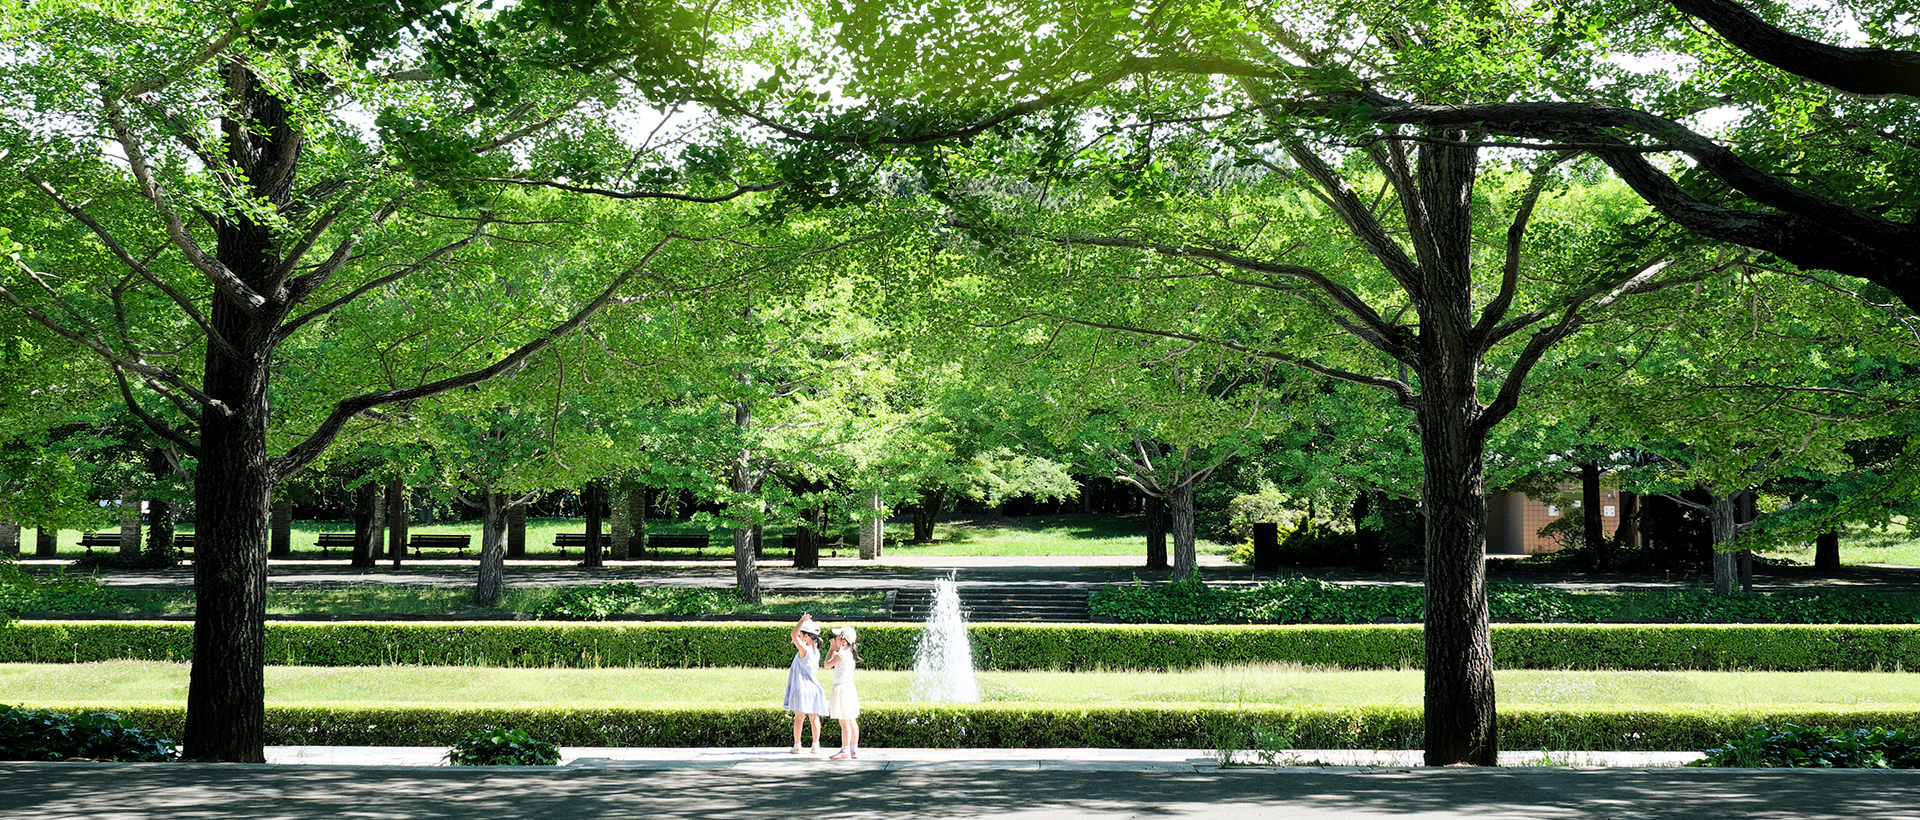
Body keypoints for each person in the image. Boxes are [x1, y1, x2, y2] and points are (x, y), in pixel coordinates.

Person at [784, 613, 829, 754]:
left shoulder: (804, 650)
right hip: (814, 687)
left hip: (801, 688)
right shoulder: (816, 651)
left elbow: (793, 635)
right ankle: (816, 744)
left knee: (799, 719)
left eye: (802, 634)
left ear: (807, 636)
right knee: (814, 717)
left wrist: (801, 620)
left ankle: (797, 745)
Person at [823, 624, 862, 760]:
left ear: (843, 641)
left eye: (838, 638)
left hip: (841, 688)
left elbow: (827, 664)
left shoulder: (842, 654)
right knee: (851, 719)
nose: (835, 639)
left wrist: (831, 649)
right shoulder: (851, 653)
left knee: (844, 721)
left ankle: (845, 749)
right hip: (849, 687)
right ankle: (853, 749)